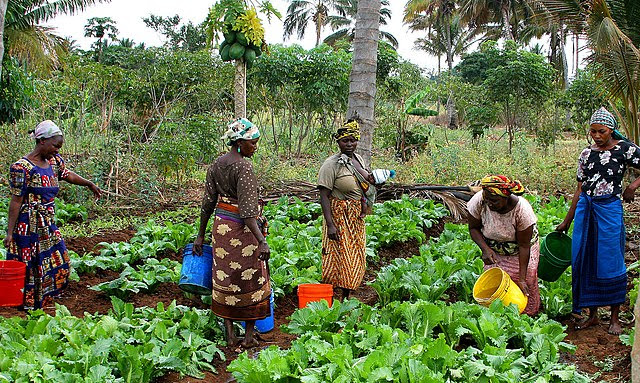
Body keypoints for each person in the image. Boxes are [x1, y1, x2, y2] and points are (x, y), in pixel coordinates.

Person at [556, 107, 640, 335]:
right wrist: (567, 220)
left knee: (611, 259)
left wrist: (632, 186)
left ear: (611, 130)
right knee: (584, 258)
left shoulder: (625, 149)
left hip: (609, 208)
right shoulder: (586, 154)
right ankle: (592, 315)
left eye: (601, 131)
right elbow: (579, 188)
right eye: (592, 132)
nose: (596, 136)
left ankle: (614, 316)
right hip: (586, 208)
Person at [3, 120, 101, 310]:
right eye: (55, 145)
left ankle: (46, 299)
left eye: (59, 147)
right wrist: (9, 232)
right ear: (42, 141)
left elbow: (67, 175)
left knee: (59, 260)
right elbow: (15, 201)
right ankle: (27, 304)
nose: (57, 150)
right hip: (27, 225)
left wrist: (89, 183)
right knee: (31, 264)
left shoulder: (54, 162)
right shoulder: (21, 167)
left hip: (47, 222)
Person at [194, 117, 270, 349]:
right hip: (242, 230)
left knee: (225, 277)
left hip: (222, 229)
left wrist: (200, 235)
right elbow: (247, 212)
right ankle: (247, 337)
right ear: (239, 142)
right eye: (252, 143)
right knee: (250, 279)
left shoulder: (217, 164)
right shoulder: (244, 166)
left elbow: (208, 203)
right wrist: (261, 241)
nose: (255, 147)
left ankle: (229, 334)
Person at [467, 175, 541, 315]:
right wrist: (485, 249)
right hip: (494, 250)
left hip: (521, 250)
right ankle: (497, 316)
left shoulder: (522, 211)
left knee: (526, 283)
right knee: (495, 283)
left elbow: (524, 246)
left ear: (506, 197)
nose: (489, 203)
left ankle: (529, 316)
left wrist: (522, 278)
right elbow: (473, 228)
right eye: (486, 199)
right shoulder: (478, 201)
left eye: (494, 200)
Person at [317, 120, 371, 301]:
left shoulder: (358, 159)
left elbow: (362, 186)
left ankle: (346, 296)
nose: (349, 144)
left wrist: (364, 201)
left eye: (352, 140)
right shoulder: (331, 165)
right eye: (345, 141)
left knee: (355, 254)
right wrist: (330, 225)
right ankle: (332, 297)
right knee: (338, 256)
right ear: (338, 142)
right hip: (339, 216)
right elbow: (324, 196)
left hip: (355, 217)